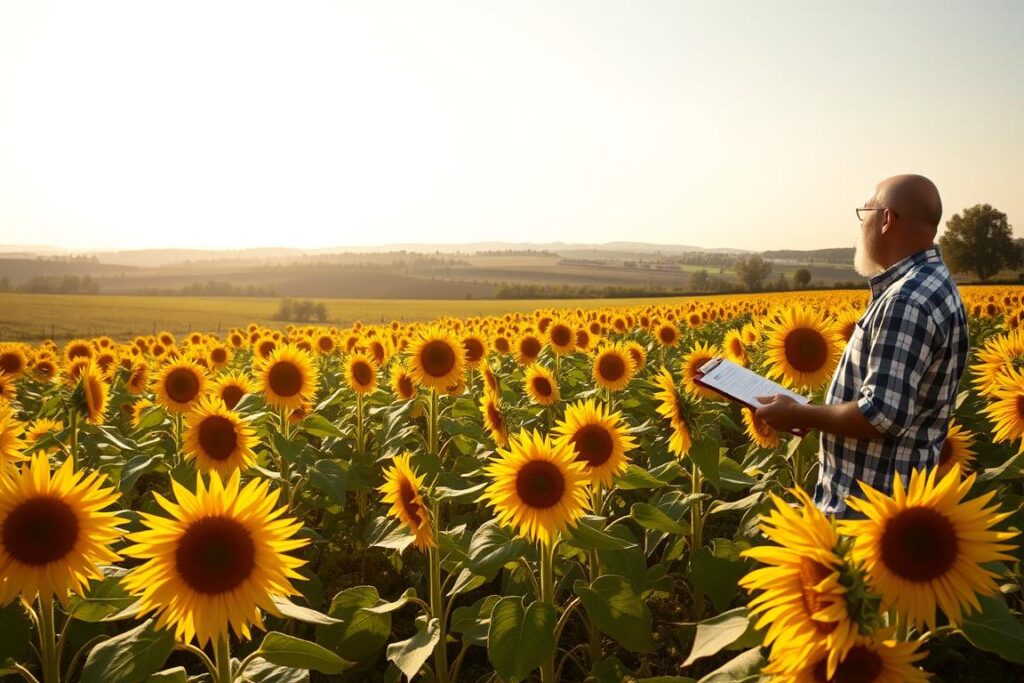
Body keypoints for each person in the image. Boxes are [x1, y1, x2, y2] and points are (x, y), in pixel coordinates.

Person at [754, 174, 969, 518]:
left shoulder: (907, 300)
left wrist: (796, 413)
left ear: (886, 220)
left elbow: (880, 414)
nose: (860, 227)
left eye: (864, 214)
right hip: (893, 504)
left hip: (868, 513)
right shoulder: (934, 285)